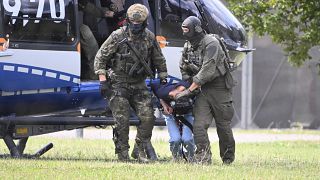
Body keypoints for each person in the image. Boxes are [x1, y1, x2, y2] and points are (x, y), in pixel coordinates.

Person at [94, 4, 168, 162]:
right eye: (133, 23)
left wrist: (163, 76)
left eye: (139, 24)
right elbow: (100, 58)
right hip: (118, 83)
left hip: (139, 83)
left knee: (148, 117)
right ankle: (123, 155)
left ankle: (139, 150)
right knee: (122, 120)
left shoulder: (149, 37)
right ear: (128, 20)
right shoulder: (117, 36)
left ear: (144, 22)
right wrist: (103, 81)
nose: (135, 26)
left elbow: (159, 59)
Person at [176, 16, 236, 164]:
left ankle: (227, 159)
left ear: (195, 28)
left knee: (223, 126)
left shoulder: (211, 43)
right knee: (199, 125)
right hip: (202, 89)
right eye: (183, 30)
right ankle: (203, 157)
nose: (185, 33)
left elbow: (207, 71)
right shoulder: (188, 45)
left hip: (219, 88)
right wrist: (188, 82)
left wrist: (189, 91)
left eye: (187, 29)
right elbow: (183, 66)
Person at [151, 80, 195, 161]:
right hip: (171, 115)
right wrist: (163, 104)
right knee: (175, 139)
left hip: (187, 114)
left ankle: (191, 158)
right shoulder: (163, 92)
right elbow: (153, 85)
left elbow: (197, 83)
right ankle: (177, 159)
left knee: (187, 139)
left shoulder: (189, 87)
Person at [79, 0, 117, 80]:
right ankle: (94, 76)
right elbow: (84, 4)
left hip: (83, 23)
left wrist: (110, 5)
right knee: (91, 44)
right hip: (72, 23)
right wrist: (106, 13)